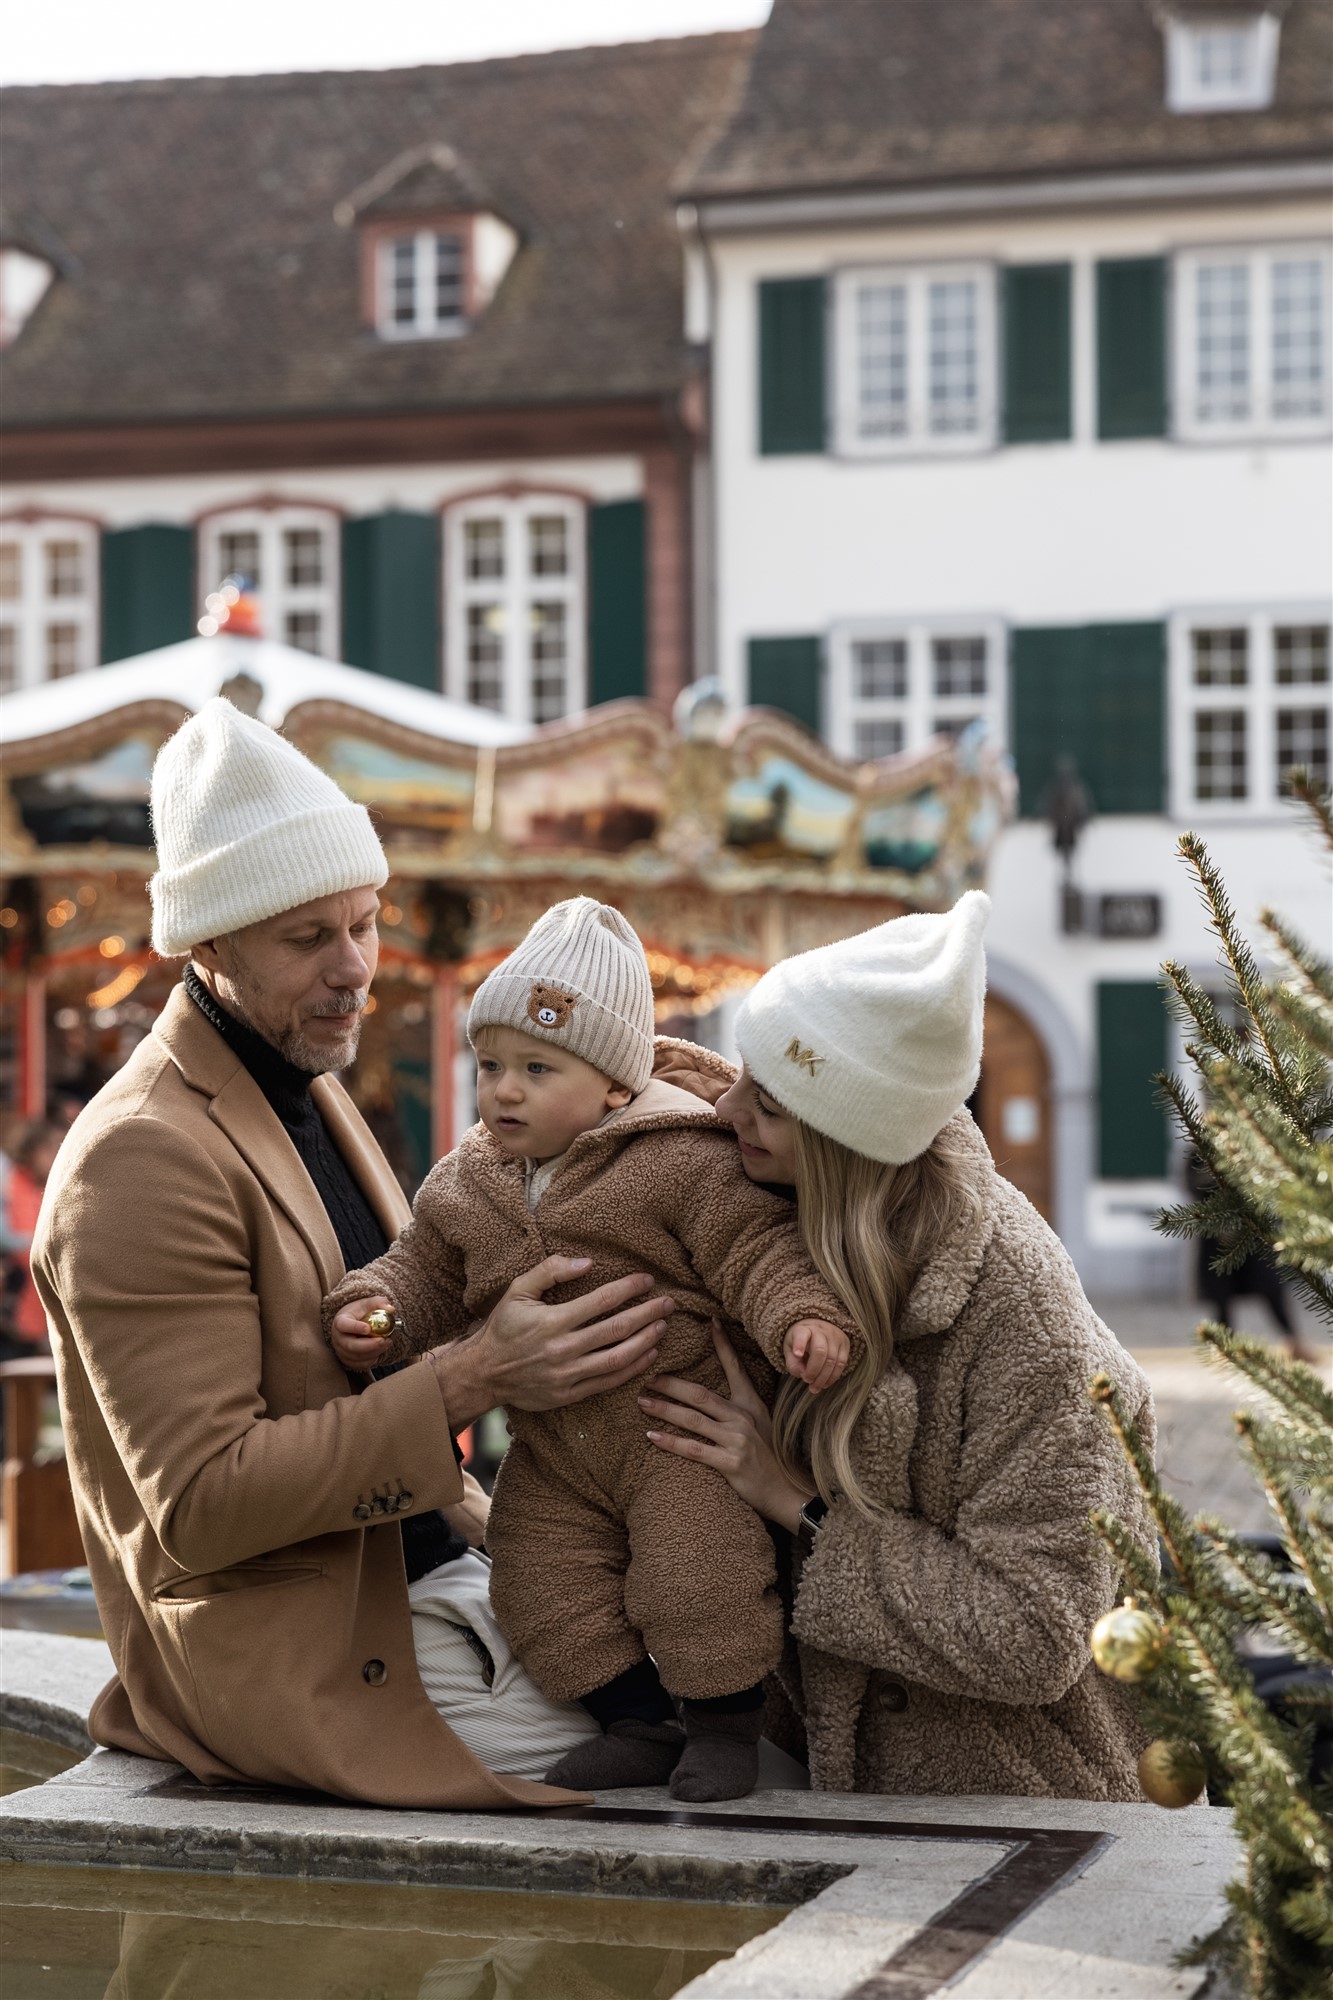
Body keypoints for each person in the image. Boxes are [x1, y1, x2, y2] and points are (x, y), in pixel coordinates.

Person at [32, 699, 677, 1811]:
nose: (355, 969)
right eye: (307, 937)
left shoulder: (303, 1081)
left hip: (436, 1577)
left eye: (364, 922)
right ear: (210, 943)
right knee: (707, 1779)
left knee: (749, 1688)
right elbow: (199, 1501)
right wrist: (478, 1375)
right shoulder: (138, 1154)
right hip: (310, 1645)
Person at [326, 895, 853, 1802]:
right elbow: (424, 1267)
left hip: (671, 1432)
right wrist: (375, 1308)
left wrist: (799, 1317)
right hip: (555, 1452)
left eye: (537, 1067)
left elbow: (755, 1251)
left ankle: (724, 1728)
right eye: (490, 1065)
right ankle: (637, 1718)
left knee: (699, 1579)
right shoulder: (467, 1179)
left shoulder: (682, 1161)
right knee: (533, 1586)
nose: (504, 1091)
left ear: (614, 1084)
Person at [639, 892, 1159, 1801]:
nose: (726, 1112)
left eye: (764, 1102)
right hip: (826, 1772)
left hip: (1014, 1805)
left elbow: (1034, 1635)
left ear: (845, 1143)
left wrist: (788, 1500)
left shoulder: (1027, 1328)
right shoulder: (816, 1199)